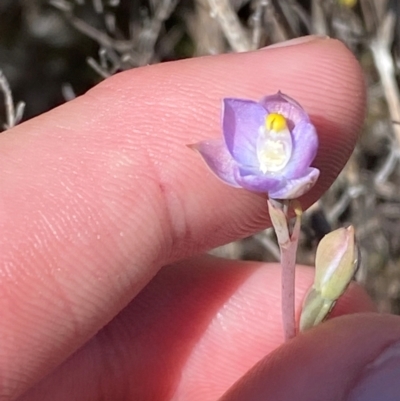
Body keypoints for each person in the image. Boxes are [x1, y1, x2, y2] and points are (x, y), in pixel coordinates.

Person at [1, 36, 398, 401]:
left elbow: (298, 159)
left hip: (294, 180)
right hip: (272, 180)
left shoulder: (298, 169)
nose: (276, 130)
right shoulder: (243, 163)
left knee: (310, 323)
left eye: (283, 130)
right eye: (268, 129)